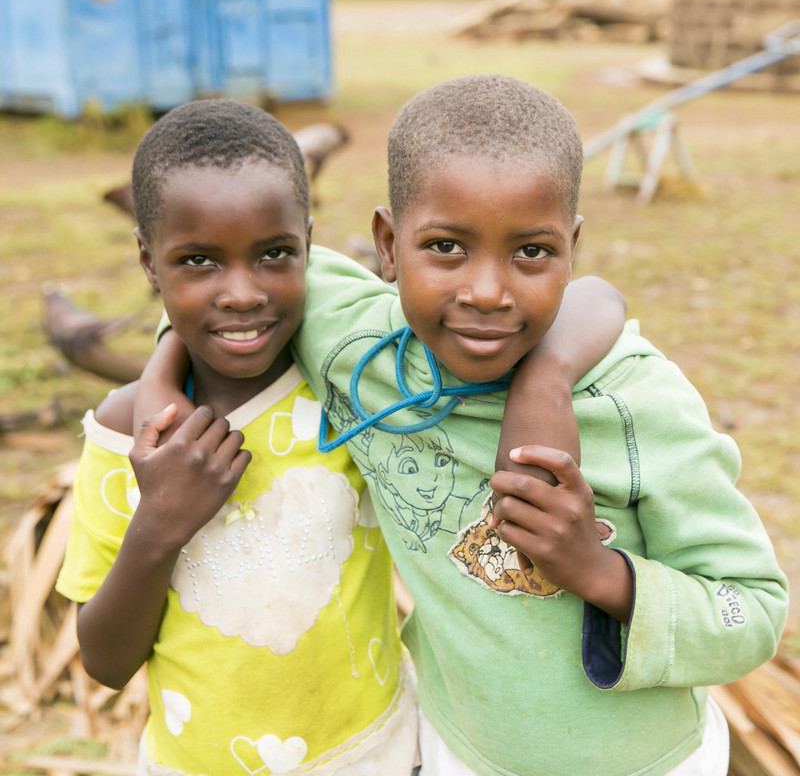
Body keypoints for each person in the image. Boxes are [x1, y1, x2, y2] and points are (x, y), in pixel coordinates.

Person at [133, 74, 787, 776]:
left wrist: (596, 570)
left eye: (531, 253)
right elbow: (234, 280)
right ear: (387, 245)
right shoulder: (359, 347)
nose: (485, 291)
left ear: (571, 248)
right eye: (445, 247)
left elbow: (751, 611)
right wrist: (159, 376)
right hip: (454, 748)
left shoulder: (636, 407)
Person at [55, 100, 422, 776]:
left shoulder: (348, 393)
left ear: (308, 243)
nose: (242, 293)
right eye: (198, 261)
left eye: (274, 254)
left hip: (375, 753)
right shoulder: (121, 438)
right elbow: (106, 662)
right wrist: (159, 524)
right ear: (147, 259)